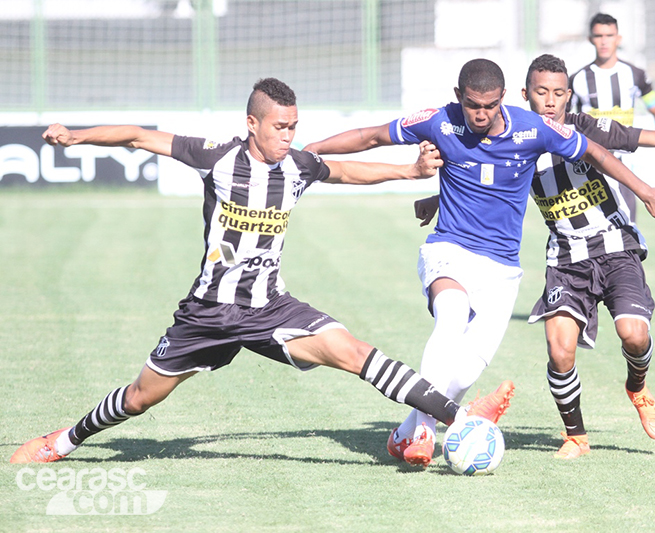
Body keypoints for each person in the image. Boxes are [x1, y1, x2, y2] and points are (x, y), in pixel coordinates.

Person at [9, 78, 515, 465]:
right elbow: (140, 136)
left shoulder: (298, 165)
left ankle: (459, 419)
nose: (288, 136)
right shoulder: (216, 157)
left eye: (293, 126)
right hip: (207, 313)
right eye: (279, 127)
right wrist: (76, 137)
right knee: (141, 398)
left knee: (354, 352)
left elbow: (344, 171)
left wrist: (408, 171)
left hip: (270, 308)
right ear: (252, 123)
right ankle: (63, 441)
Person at [303, 59, 655, 467]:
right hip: (449, 249)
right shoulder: (438, 121)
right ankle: (426, 432)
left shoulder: (533, 129)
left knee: (465, 371)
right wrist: (312, 148)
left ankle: (405, 433)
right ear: (458, 96)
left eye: (490, 106)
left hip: (501, 268)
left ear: (503, 98)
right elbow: (371, 136)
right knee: (452, 313)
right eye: (472, 105)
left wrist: (645, 190)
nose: (481, 114)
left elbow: (595, 152)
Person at [418, 54, 655, 459]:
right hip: (566, 257)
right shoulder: (517, 136)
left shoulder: (587, 129)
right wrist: (437, 201)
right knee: (559, 349)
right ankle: (576, 436)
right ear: (525, 94)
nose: (550, 100)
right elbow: (485, 184)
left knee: (633, 335)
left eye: (558, 93)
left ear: (568, 95)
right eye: (541, 92)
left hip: (615, 246)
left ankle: (637, 386)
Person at [570, 12, 655, 222]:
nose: (604, 41)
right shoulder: (577, 80)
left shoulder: (636, 75)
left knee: (627, 222)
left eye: (609, 35)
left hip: (625, 163)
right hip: (589, 163)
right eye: (599, 36)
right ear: (590, 39)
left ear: (618, 38)